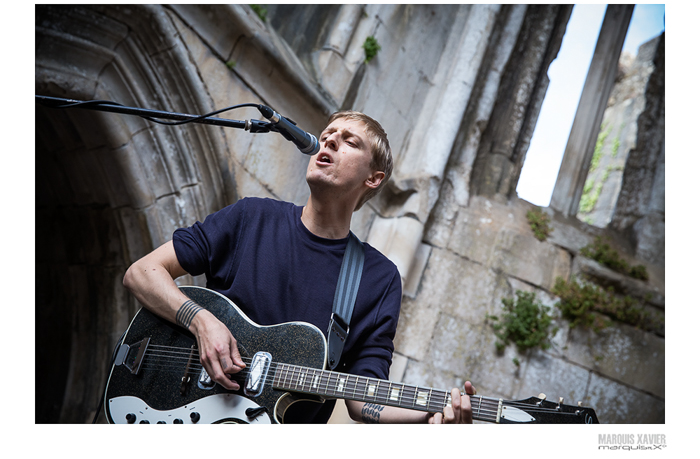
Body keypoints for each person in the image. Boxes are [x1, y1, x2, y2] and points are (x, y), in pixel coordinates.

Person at [123, 110, 475, 423]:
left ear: (373, 178)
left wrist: (433, 410)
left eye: (349, 141)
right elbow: (142, 273)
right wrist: (201, 322)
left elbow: (364, 401)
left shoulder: (378, 278)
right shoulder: (251, 217)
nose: (331, 140)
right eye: (327, 136)